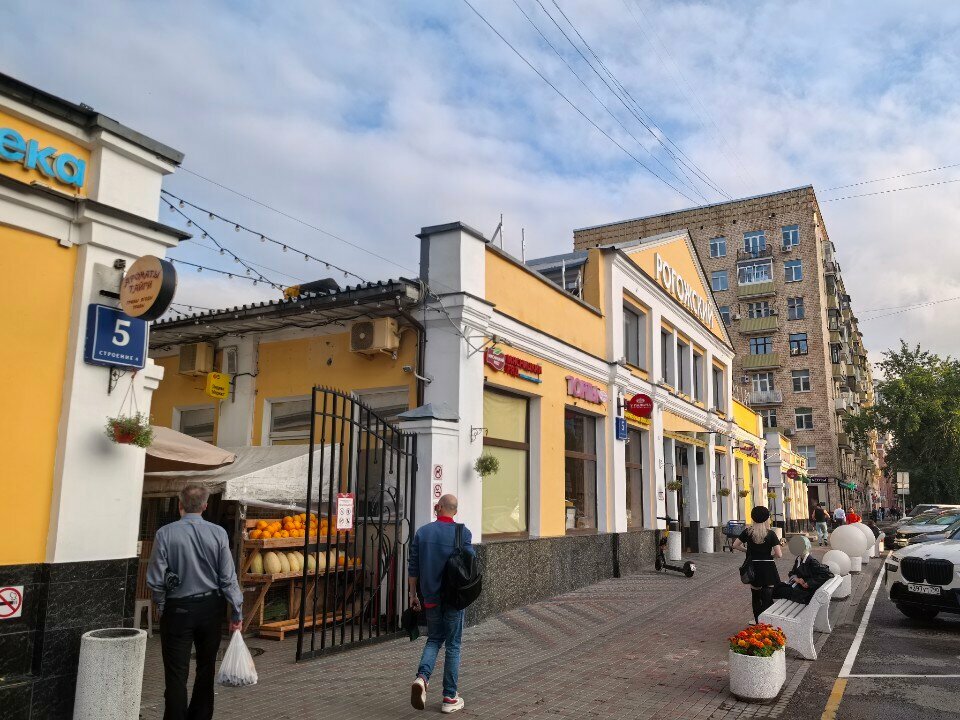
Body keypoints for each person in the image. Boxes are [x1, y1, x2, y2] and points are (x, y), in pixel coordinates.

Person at [147, 485, 243, 720]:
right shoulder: (219, 533)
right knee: (206, 669)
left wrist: (161, 605)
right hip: (210, 609)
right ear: (205, 506)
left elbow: (156, 579)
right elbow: (228, 578)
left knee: (175, 674)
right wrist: (236, 612)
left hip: (177, 608)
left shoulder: (165, 534)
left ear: (180, 504)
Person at [409, 494, 473, 714]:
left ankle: (422, 678)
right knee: (453, 645)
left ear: (438, 507)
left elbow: (413, 567)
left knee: (434, 639)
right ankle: (449, 697)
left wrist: (413, 595)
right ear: (455, 511)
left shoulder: (423, 533)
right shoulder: (463, 534)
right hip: (454, 599)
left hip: (430, 598)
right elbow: (470, 564)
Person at [733, 505, 783, 624]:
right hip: (768, 568)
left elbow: (735, 545)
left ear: (753, 517)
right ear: (766, 518)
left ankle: (757, 621)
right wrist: (771, 556)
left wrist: (747, 551)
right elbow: (779, 554)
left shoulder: (747, 532)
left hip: (753, 567)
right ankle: (767, 622)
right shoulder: (770, 534)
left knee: (755, 597)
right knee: (767, 597)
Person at [773, 536, 833, 604]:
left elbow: (828, 574)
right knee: (775, 586)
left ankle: (767, 606)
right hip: (798, 588)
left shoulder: (812, 561)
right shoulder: (799, 559)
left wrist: (809, 583)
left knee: (776, 590)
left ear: (805, 547)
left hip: (804, 594)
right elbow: (792, 572)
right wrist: (796, 579)